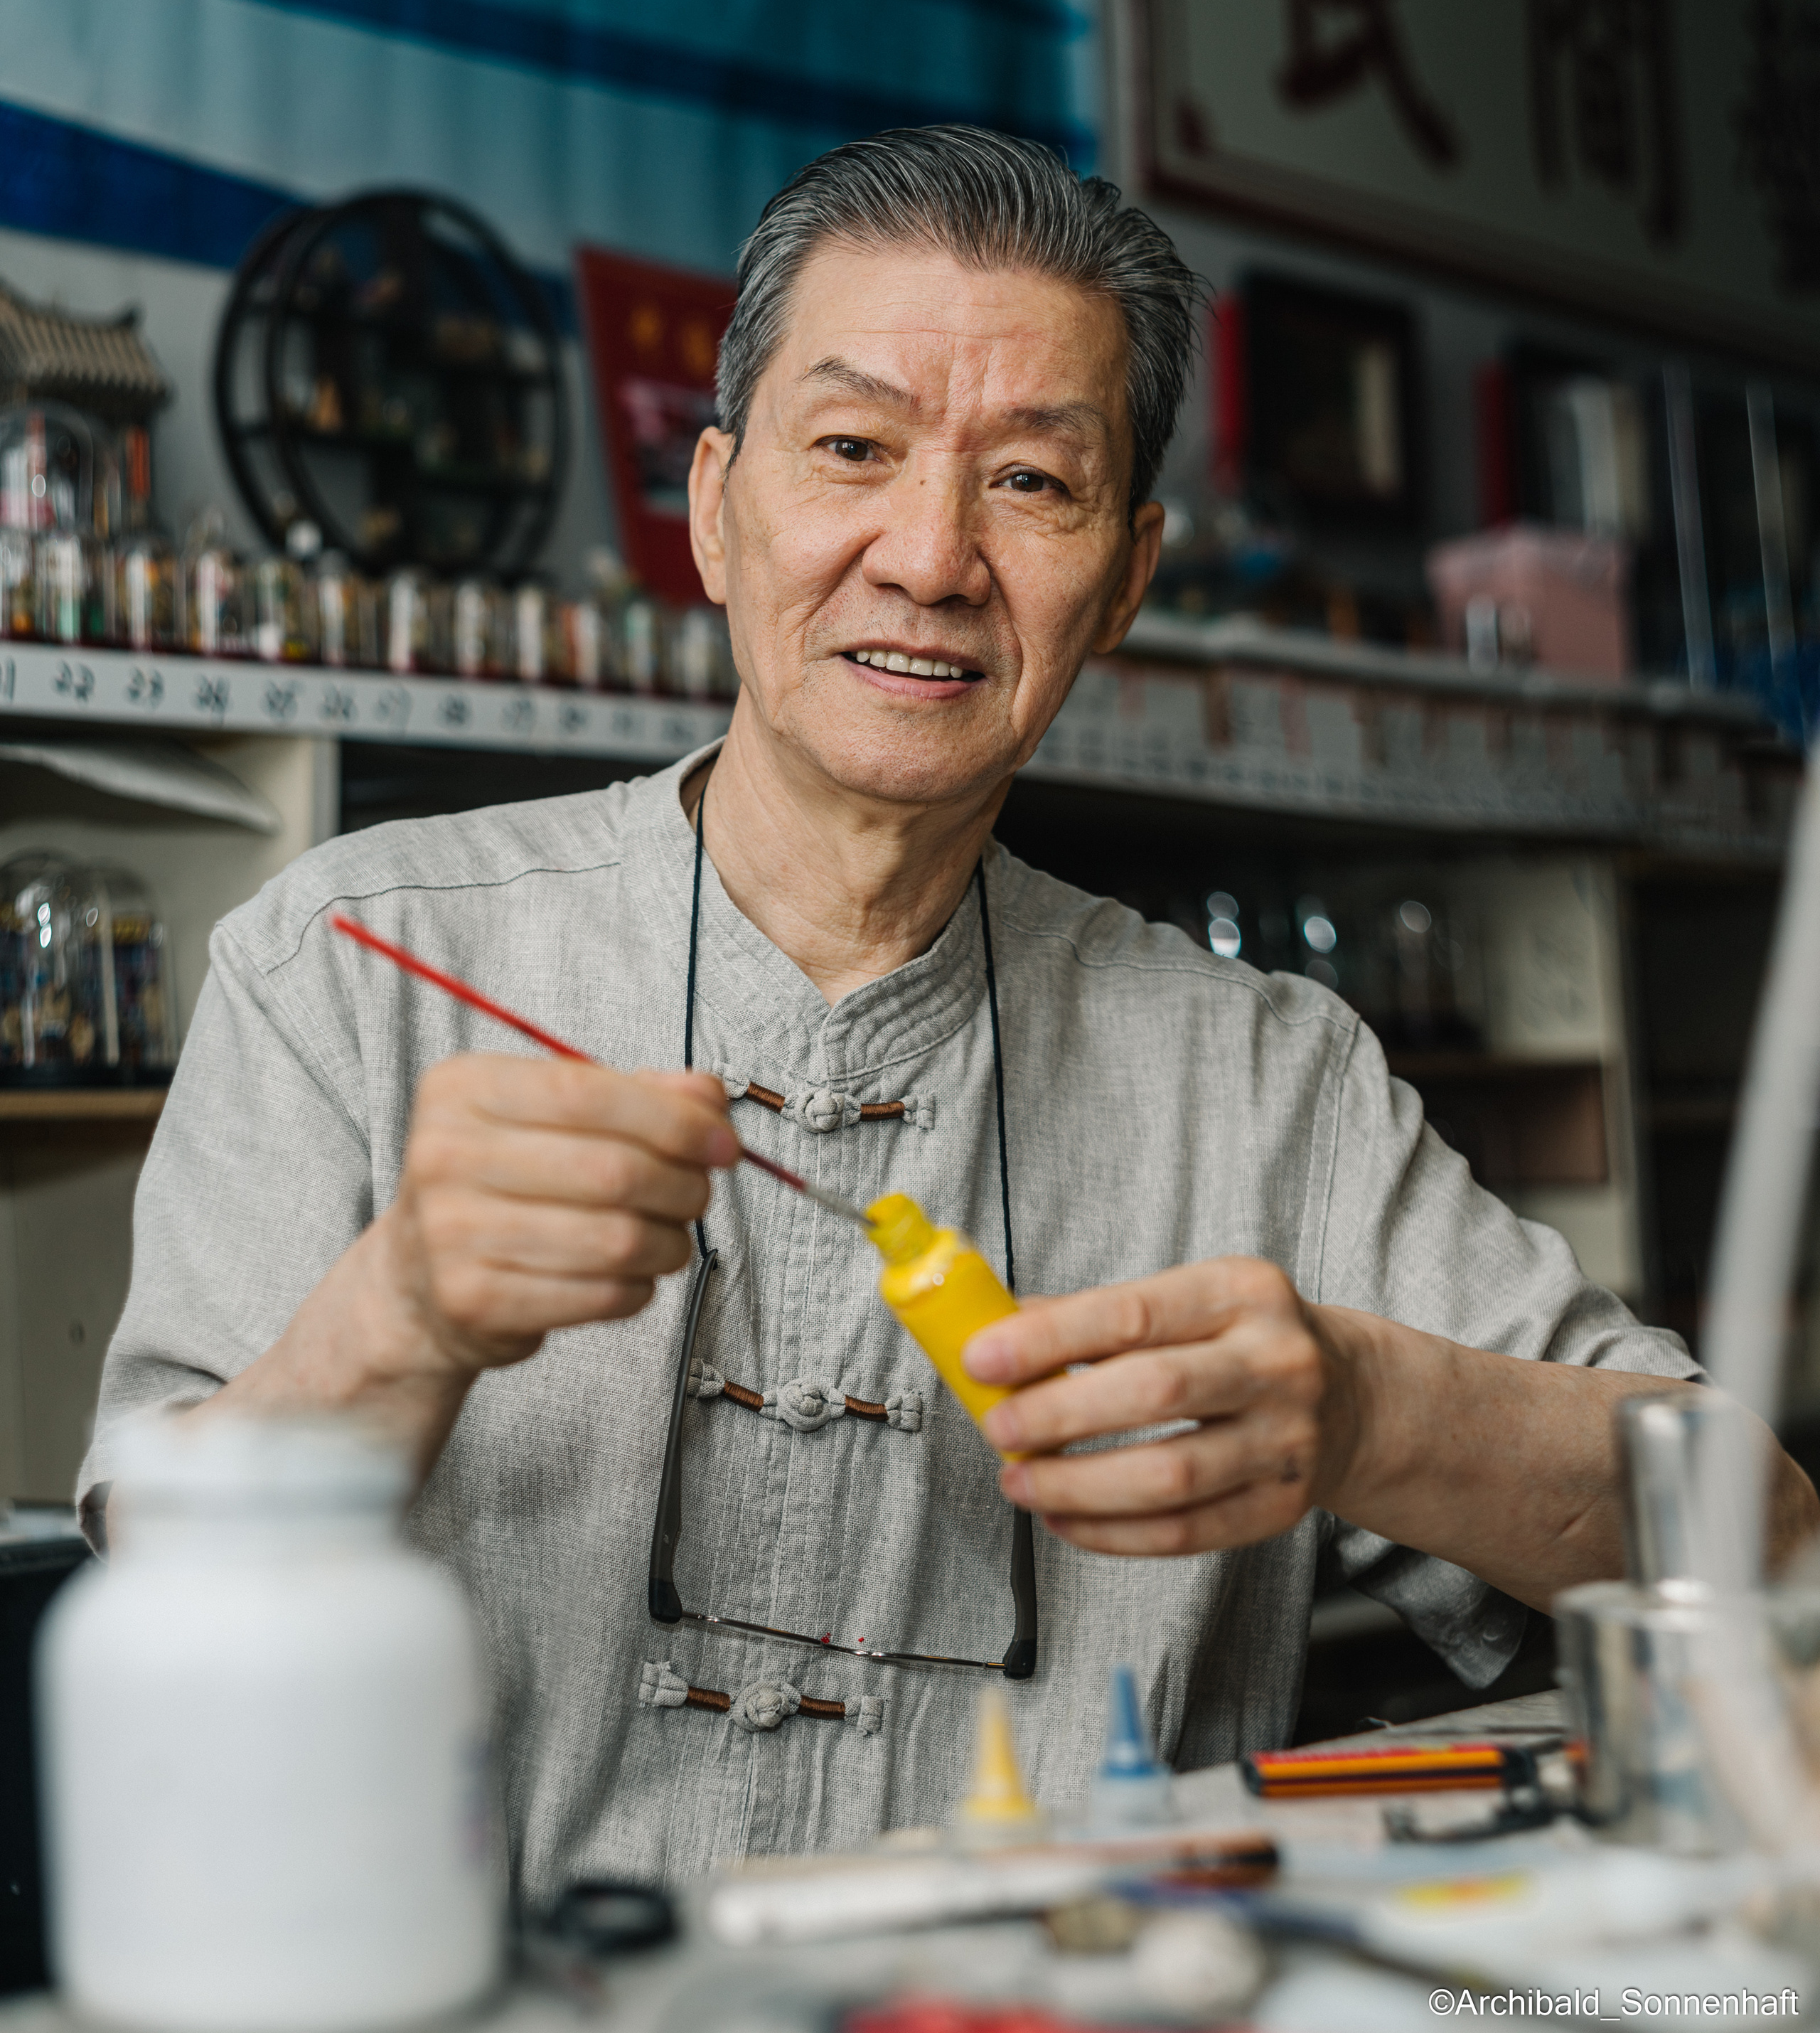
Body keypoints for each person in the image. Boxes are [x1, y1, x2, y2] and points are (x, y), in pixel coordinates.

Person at [85, 127, 1816, 1898]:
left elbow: (1758, 1536)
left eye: (1031, 486)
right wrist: (399, 1316)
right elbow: (147, 1572)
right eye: (851, 449)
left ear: (1124, 580)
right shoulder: (348, 959)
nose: (926, 556)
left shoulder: (1263, 1078)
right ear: (711, 506)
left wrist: (1369, 1409)